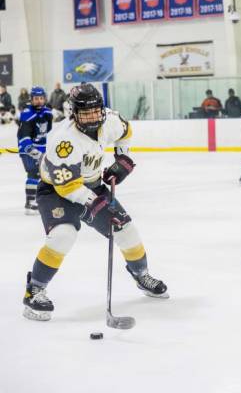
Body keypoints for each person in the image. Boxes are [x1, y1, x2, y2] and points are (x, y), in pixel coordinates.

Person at [22, 84, 168, 322]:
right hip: (56, 191)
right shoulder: (63, 141)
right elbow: (67, 187)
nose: (92, 117)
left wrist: (123, 156)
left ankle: (141, 275)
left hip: (92, 184)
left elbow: (126, 132)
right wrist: (95, 203)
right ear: (74, 113)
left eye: (96, 111)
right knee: (63, 235)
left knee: (126, 230)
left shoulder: (110, 119)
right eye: (85, 113)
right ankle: (35, 289)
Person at [17, 86, 53, 214]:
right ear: (31, 99)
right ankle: (30, 201)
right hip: (27, 149)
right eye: (36, 98)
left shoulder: (48, 113)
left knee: (45, 175)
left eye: (41, 98)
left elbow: (51, 132)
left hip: (43, 148)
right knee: (33, 173)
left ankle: (42, 199)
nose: (39, 101)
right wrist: (30, 149)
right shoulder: (27, 113)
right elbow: (23, 134)